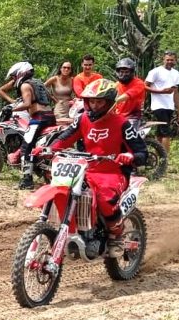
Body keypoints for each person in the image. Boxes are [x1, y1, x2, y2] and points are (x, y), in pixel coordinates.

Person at [36, 79, 147, 257]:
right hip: (87, 169)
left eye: (99, 101)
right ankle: (74, 229)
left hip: (114, 172)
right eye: (91, 101)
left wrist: (130, 156)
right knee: (65, 189)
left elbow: (142, 152)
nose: (94, 106)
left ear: (109, 103)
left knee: (104, 200)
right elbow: (66, 137)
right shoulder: (82, 119)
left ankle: (116, 236)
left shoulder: (122, 123)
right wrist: (47, 149)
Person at [0, 61, 54, 190]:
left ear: (20, 74)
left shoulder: (25, 85)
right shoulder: (39, 83)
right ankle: (39, 168)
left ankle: (27, 180)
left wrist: (13, 108)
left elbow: (27, 103)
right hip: (50, 116)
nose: (14, 79)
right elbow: (49, 98)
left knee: (25, 147)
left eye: (14, 77)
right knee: (35, 144)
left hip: (39, 118)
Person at [145, 51, 179, 153]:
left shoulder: (175, 73)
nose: (169, 62)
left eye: (172, 60)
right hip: (158, 105)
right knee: (166, 132)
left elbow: (175, 92)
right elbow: (144, 86)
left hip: (169, 106)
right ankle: (166, 158)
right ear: (163, 59)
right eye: (167, 60)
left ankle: (159, 156)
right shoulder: (155, 72)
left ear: (175, 60)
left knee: (160, 132)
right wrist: (160, 91)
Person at [112, 57, 147, 130]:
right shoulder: (116, 85)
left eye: (126, 72)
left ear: (132, 72)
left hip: (133, 116)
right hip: (117, 115)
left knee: (129, 137)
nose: (123, 74)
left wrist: (114, 100)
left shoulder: (139, 83)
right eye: (121, 72)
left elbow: (127, 95)